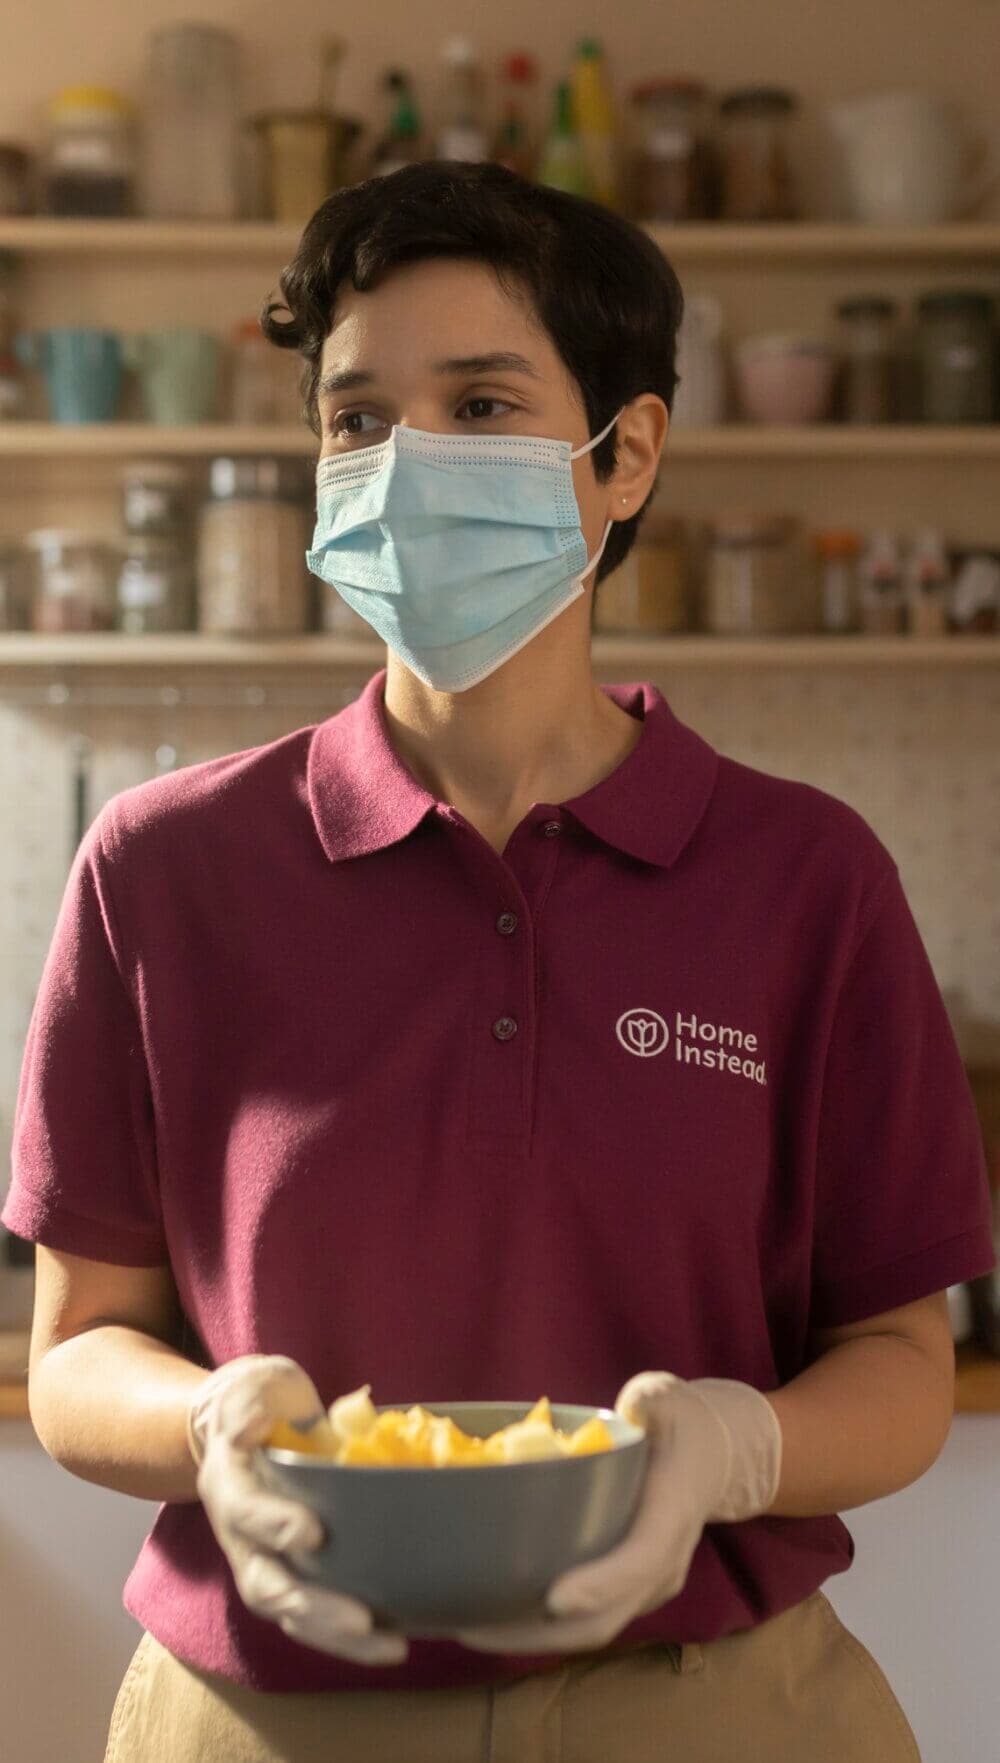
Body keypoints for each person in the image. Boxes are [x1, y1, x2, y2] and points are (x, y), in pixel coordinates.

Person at [3, 161, 994, 1763]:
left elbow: (898, 1360)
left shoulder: (808, 882)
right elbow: (74, 1355)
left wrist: (732, 1454)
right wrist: (205, 1424)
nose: (404, 467)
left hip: (715, 1710)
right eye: (356, 419)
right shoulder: (164, 871)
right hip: (263, 1709)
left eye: (480, 403)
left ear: (628, 456)